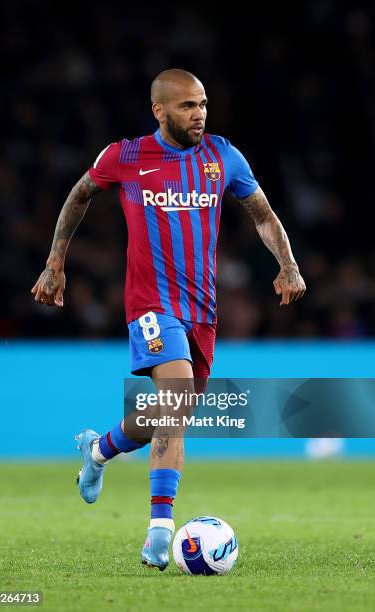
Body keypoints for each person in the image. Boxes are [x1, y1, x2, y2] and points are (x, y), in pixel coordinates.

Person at [31, 68, 306, 571]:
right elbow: (78, 197)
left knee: (172, 412)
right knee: (175, 399)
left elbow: (262, 214)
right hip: (150, 306)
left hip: (202, 310)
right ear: (159, 110)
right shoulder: (127, 156)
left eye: (202, 104)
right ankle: (159, 532)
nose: (199, 113)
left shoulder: (223, 156)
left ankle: (99, 451)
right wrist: (55, 263)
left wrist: (287, 264)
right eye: (186, 106)